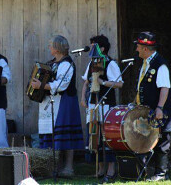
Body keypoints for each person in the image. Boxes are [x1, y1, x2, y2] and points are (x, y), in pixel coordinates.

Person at [31, 35, 84, 177]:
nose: (49, 48)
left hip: (65, 102)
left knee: (65, 135)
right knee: (52, 135)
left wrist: (40, 85)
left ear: (58, 48)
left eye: (51, 46)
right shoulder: (52, 63)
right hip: (49, 103)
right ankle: (55, 167)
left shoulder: (67, 64)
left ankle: (68, 168)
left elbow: (61, 85)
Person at [134, 31, 171, 181]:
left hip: (159, 110)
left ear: (145, 48)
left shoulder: (161, 64)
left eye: (138, 47)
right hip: (147, 109)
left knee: (162, 141)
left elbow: (165, 87)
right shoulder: (146, 64)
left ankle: (161, 173)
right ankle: (143, 172)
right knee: (145, 139)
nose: (136, 49)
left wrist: (159, 108)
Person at [80, 35, 123, 182]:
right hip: (93, 105)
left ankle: (111, 169)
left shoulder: (110, 64)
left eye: (94, 46)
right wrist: (83, 98)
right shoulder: (91, 63)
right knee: (94, 136)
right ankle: (99, 169)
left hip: (106, 105)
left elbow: (119, 84)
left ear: (102, 48)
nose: (91, 48)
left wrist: (102, 82)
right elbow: (86, 82)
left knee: (107, 137)